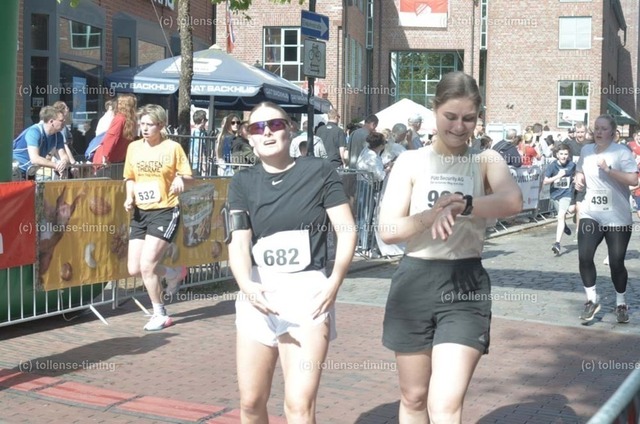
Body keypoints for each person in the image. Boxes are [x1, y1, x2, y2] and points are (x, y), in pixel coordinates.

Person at [378, 71, 522, 423]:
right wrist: (428, 216)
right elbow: (388, 230)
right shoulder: (411, 161)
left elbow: (512, 201)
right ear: (435, 110)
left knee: (444, 404)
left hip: (465, 286)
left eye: (468, 118)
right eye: (451, 116)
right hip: (414, 281)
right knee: (414, 397)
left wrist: (465, 205)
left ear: (478, 117)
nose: (459, 127)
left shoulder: (486, 160)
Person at [227, 102, 357, 423]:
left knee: (298, 406)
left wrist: (335, 280)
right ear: (249, 137)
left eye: (275, 124)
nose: (267, 132)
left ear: (290, 128)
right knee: (251, 403)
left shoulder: (319, 171)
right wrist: (245, 284)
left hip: (307, 293)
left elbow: (346, 229)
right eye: (257, 128)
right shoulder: (242, 182)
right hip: (258, 290)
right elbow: (239, 242)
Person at [123, 104, 193, 331]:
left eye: (149, 124)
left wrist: (181, 180)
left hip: (165, 210)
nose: (144, 128)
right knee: (134, 269)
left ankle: (160, 313)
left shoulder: (172, 148)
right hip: (140, 212)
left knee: (147, 265)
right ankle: (173, 272)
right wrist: (129, 197)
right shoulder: (134, 147)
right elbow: (130, 177)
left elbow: (189, 177)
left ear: (161, 125)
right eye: (141, 124)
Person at [574, 115, 637, 324]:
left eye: (603, 128)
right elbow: (580, 170)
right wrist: (578, 178)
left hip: (617, 216)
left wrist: (609, 170)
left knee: (616, 262)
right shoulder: (586, 150)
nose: (599, 132)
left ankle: (621, 302)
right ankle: (591, 300)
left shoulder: (621, 152)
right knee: (584, 256)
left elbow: (633, 179)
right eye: (596, 128)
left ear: (612, 132)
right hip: (591, 212)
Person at [13, 105, 70, 178]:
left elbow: (64, 155)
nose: (64, 123)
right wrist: (56, 165)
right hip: (16, 170)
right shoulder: (34, 132)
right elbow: (35, 159)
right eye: (61, 121)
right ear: (51, 121)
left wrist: (63, 162)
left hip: (30, 171)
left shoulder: (58, 135)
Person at [543, 143, 576, 255]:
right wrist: (558, 176)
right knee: (561, 218)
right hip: (555, 196)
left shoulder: (571, 165)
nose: (563, 156)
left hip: (566, 194)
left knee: (561, 216)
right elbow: (545, 181)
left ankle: (557, 243)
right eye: (561, 154)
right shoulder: (552, 166)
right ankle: (564, 225)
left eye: (566, 154)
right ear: (557, 155)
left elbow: (575, 175)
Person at [92, 94, 137, 171]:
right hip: (106, 161)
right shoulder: (120, 119)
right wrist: (105, 156)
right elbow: (111, 137)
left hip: (114, 160)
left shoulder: (128, 120)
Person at [190, 109, 209, 175]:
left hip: (193, 162)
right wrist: (204, 164)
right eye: (206, 120)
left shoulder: (193, 132)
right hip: (197, 164)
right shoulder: (199, 134)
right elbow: (199, 150)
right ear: (203, 121)